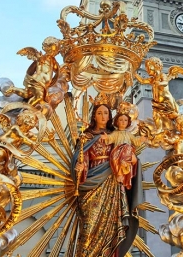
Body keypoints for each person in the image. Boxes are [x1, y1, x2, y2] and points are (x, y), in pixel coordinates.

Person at [72, 103, 139, 257]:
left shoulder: (115, 135)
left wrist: (133, 160)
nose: (103, 116)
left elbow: (127, 153)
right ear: (94, 115)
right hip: (90, 185)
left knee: (111, 229)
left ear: (110, 117)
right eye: (100, 113)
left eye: (106, 113)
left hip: (112, 183)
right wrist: (80, 167)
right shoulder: (86, 137)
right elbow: (81, 157)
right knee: (88, 229)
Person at [102, 105, 143, 190]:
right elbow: (111, 138)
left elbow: (135, 141)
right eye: (121, 120)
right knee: (114, 159)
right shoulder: (116, 133)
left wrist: (141, 139)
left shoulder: (129, 134)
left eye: (125, 120)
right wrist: (107, 138)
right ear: (117, 122)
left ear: (128, 122)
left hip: (126, 153)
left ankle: (123, 173)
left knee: (127, 147)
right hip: (117, 152)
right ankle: (119, 173)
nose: (123, 122)